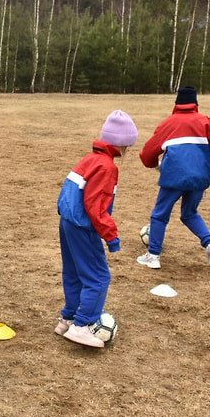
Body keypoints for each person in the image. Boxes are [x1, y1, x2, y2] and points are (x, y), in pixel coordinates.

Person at [55, 111, 138, 348]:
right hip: (83, 227)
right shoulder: (107, 167)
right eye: (128, 145)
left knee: (73, 272)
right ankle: (82, 326)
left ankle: (67, 319)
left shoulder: (89, 158)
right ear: (121, 144)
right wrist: (111, 237)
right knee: (99, 277)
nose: (128, 150)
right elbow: (95, 206)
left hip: (68, 223)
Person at [136, 86, 210, 270]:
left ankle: (153, 255)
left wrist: (156, 166)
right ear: (196, 104)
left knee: (160, 215)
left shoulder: (168, 124)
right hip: (199, 178)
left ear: (176, 104)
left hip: (174, 178)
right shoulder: (206, 122)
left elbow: (147, 153)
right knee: (189, 213)